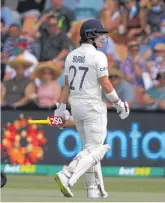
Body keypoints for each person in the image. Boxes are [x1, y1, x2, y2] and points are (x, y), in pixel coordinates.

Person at [53, 19, 130, 198]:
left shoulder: (71, 55)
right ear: (90, 35)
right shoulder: (98, 56)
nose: (103, 38)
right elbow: (105, 82)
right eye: (100, 34)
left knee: (90, 149)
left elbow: (66, 87)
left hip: (77, 106)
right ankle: (67, 174)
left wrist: (60, 112)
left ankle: (93, 190)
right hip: (93, 106)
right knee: (96, 149)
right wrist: (119, 104)